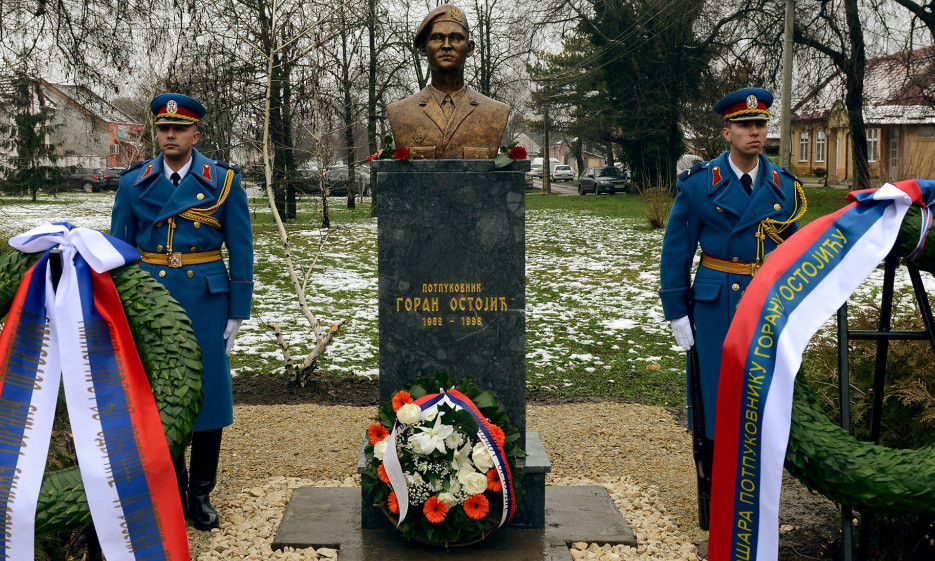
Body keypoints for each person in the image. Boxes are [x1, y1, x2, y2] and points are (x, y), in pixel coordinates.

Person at [658, 87, 806, 527]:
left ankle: (759, 499)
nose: (755, 132)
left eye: (760, 125)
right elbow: (676, 250)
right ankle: (719, 502)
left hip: (765, 304)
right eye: (745, 126)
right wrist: (676, 310)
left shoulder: (784, 187)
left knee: (764, 399)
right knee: (718, 402)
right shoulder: (701, 184)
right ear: (727, 132)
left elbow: (793, 254)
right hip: (716, 303)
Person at [110, 93, 254, 531]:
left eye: (178, 128)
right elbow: (118, 250)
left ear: (195, 133)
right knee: (158, 398)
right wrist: (119, 306)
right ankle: (172, 488)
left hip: (207, 302)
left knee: (208, 396)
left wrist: (237, 311)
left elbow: (242, 249)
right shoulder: (133, 184)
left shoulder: (223, 182)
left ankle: (200, 494)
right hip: (152, 302)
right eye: (162, 128)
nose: (169, 135)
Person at [387, 3, 509, 159]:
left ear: (470, 48)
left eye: (456, 38)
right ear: (424, 48)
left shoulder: (495, 112)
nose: (446, 46)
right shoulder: (400, 112)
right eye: (437, 38)